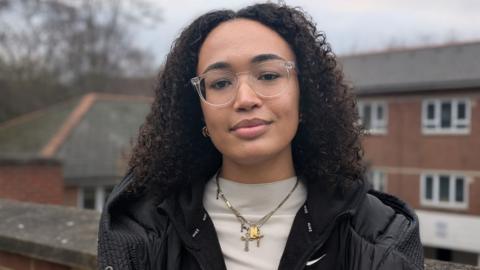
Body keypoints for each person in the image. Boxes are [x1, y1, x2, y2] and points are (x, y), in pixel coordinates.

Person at [97, 3, 424, 270]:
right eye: (221, 83)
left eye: (268, 75)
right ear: (199, 112)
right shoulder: (140, 231)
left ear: (304, 95)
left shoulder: (381, 236)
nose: (245, 99)